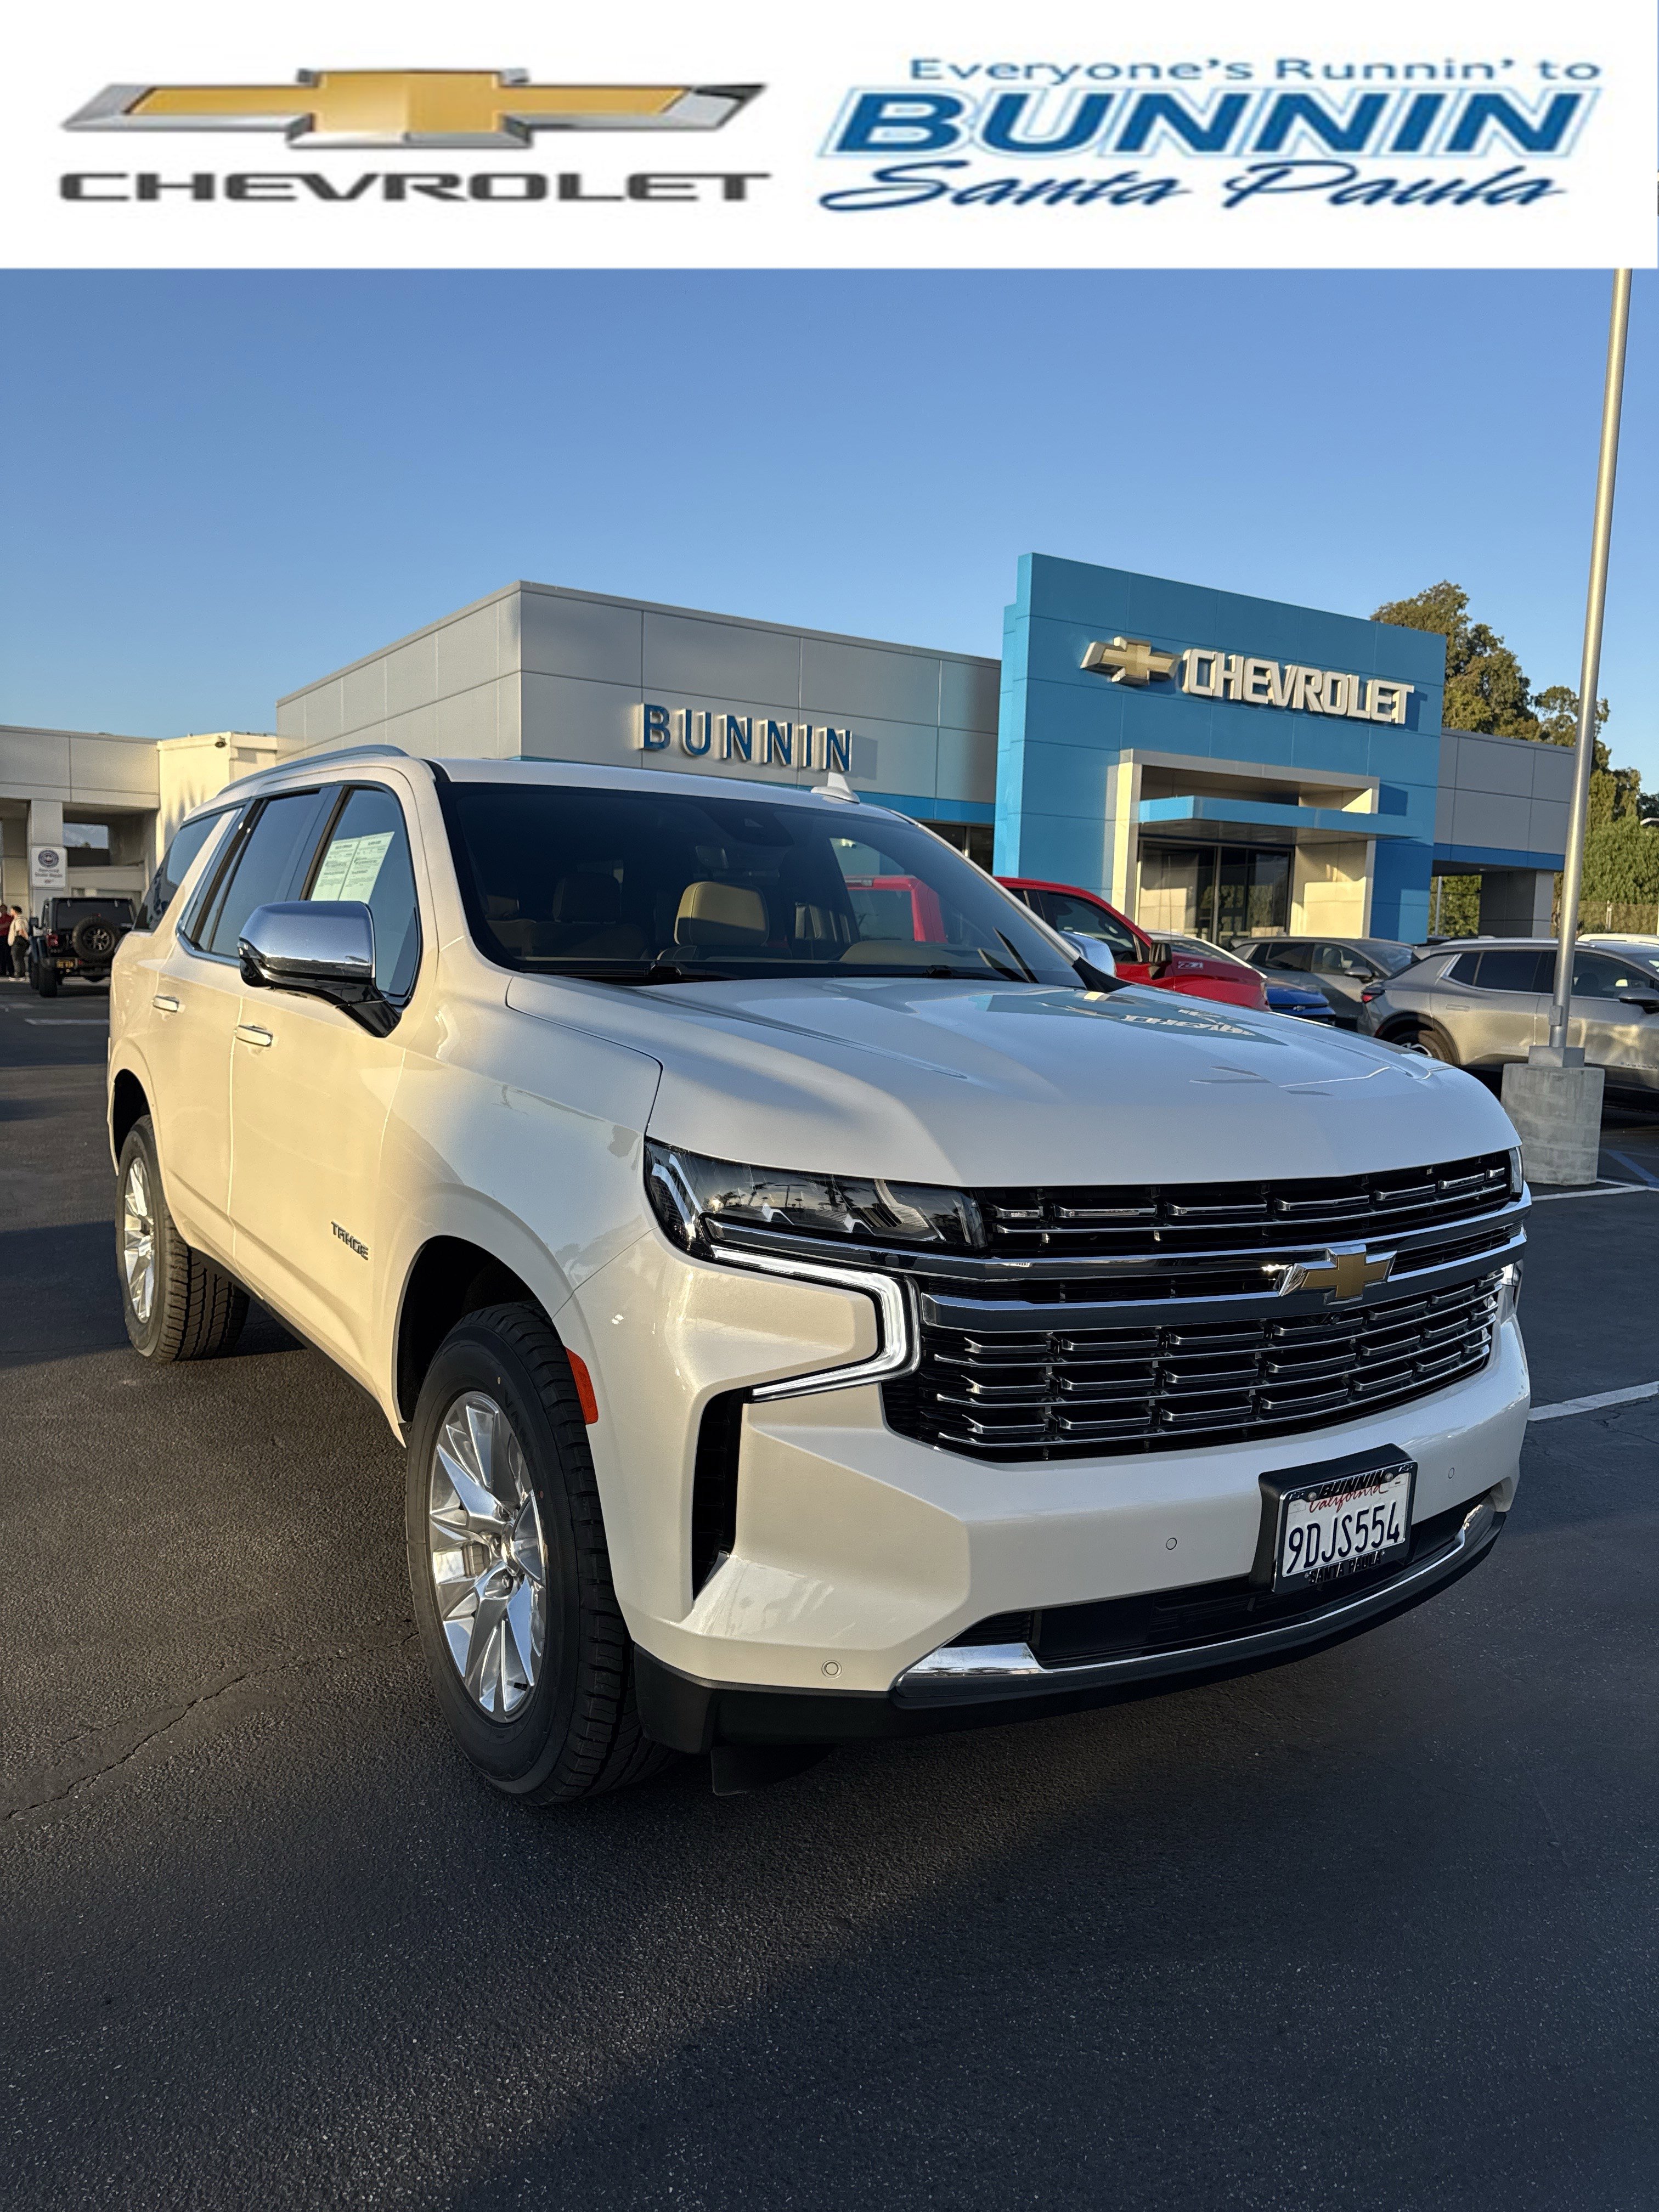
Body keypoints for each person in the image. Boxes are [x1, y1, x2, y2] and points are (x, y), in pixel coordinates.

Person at [8, 905, 29, 979]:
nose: (10, 912)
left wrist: (27, 938)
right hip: (20, 941)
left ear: (15, 911)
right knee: (20, 958)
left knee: (16, 957)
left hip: (18, 941)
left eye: (11, 910)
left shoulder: (19, 920)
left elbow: (21, 930)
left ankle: (19, 974)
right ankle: (21, 973)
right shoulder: (19, 919)